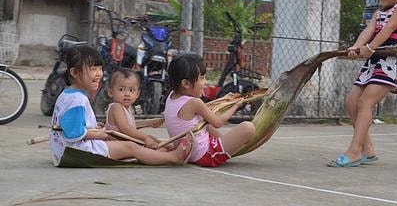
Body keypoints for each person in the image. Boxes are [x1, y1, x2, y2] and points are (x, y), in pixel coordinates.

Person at [328, 0, 397, 168]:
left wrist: (369, 48)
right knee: (352, 101)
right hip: (376, 60)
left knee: (365, 102)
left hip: (394, 60)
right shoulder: (378, 13)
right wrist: (355, 47)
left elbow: (389, 29)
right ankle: (367, 150)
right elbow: (369, 30)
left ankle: (354, 151)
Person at [49, 45, 192, 166]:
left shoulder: (68, 95)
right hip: (77, 152)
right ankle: (174, 157)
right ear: (74, 72)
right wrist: (99, 134)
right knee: (131, 147)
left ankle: (164, 154)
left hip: (63, 150)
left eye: (100, 68)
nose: (99, 74)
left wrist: (93, 127)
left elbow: (71, 125)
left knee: (141, 148)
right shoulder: (77, 100)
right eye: (93, 69)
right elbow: (73, 134)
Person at [164, 53, 256, 167]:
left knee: (205, 123)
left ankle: (226, 143)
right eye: (202, 78)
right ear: (186, 83)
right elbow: (218, 122)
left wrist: (224, 99)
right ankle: (227, 147)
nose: (205, 82)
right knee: (248, 128)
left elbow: (205, 111)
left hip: (185, 151)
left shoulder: (171, 96)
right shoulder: (194, 102)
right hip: (206, 155)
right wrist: (235, 105)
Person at [104, 68, 163, 149]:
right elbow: (125, 129)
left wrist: (149, 123)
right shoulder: (116, 107)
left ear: (137, 94)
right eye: (121, 89)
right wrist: (145, 138)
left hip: (126, 144)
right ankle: (170, 153)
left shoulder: (126, 108)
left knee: (153, 139)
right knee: (149, 140)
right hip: (119, 146)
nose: (127, 94)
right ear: (110, 92)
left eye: (131, 90)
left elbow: (130, 126)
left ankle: (169, 146)